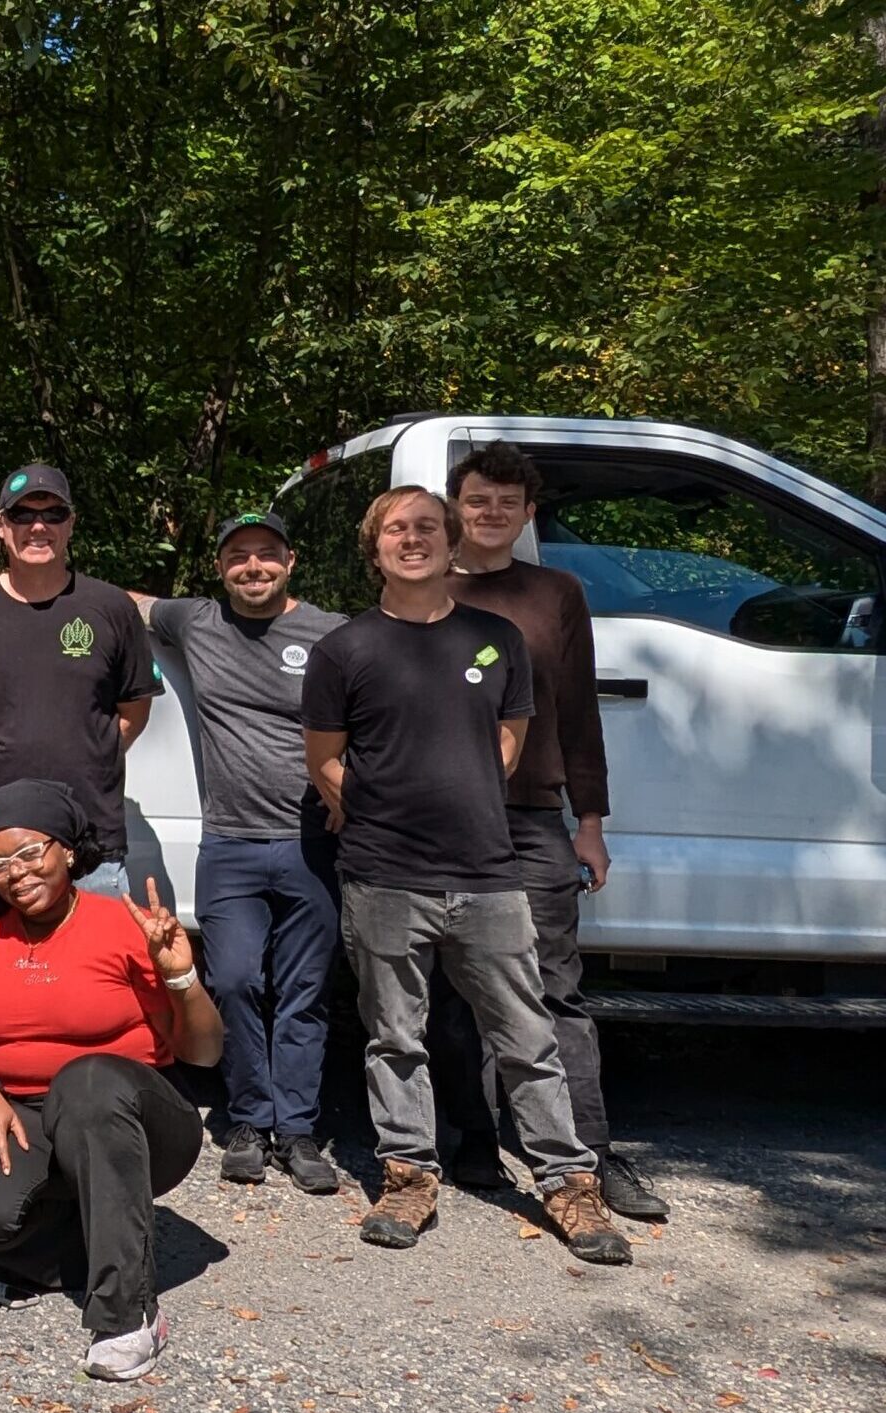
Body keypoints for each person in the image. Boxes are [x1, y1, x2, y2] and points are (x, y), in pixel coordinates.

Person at [300, 485, 630, 1264]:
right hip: (383, 876)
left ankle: (567, 1183)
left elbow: (508, 746)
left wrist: (462, 802)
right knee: (394, 1038)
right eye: (394, 530)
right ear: (373, 546)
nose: (410, 540)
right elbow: (324, 760)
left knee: (526, 1036)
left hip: (488, 873)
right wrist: (379, 809)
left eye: (425, 528)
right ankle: (408, 1177)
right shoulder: (344, 649)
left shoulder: (496, 640)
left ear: (450, 544)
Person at [432, 444, 666, 1222]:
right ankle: (469, 1139)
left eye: (507, 501)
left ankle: (589, 1156)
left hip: (534, 816)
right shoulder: (423, 588)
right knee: (457, 993)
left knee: (555, 991)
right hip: (441, 821)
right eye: (477, 499)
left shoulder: (556, 593)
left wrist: (589, 823)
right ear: (455, 507)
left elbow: (577, 716)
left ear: (528, 514)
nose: (491, 512)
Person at [0, 781, 222, 1382]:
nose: (16, 874)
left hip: (133, 1112)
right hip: (25, 1110)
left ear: (66, 850)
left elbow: (203, 1052)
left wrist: (181, 976)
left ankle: (127, 1313)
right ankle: (73, 1245)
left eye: (30, 853)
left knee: (86, 1084)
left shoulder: (122, 927)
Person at [130, 513, 345, 1193]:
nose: (252, 567)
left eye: (265, 555)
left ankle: (300, 1130)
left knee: (305, 993)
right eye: (238, 557)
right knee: (234, 982)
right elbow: (121, 601)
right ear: (220, 569)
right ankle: (248, 1120)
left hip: (315, 843)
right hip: (230, 845)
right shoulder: (195, 622)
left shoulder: (335, 634)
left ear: (291, 561)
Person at [0, 464, 161, 893]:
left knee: (95, 962)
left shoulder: (111, 608)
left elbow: (135, 709)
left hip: (89, 845)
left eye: (53, 514)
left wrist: (89, 752)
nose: (38, 526)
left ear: (70, 524)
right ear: (1, 526)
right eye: (22, 515)